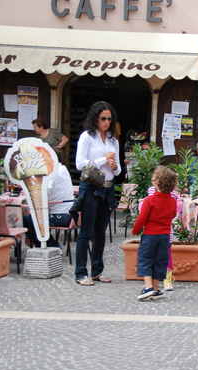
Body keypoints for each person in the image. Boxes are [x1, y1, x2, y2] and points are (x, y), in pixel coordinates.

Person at [73, 101, 121, 286]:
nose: (107, 122)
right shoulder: (87, 137)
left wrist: (115, 166)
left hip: (107, 187)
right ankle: (80, 273)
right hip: (92, 187)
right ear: (95, 118)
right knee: (86, 231)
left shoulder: (113, 140)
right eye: (103, 118)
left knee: (100, 232)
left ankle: (97, 271)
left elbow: (116, 171)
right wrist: (103, 159)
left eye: (109, 118)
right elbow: (79, 164)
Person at [132, 166, 178, 300]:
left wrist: (135, 230)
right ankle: (156, 289)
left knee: (146, 259)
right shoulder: (172, 201)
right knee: (160, 261)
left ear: (156, 182)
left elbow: (142, 218)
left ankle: (148, 287)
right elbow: (173, 214)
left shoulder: (149, 200)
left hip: (150, 235)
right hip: (165, 236)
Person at [23, 147, 74, 249]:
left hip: (60, 216)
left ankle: (51, 246)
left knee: (28, 219)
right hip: (68, 214)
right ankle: (44, 245)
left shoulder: (53, 172)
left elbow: (44, 192)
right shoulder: (63, 169)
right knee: (33, 218)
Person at [146, 180, 179, 291]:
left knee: (165, 255)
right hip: (156, 230)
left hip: (164, 230)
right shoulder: (151, 191)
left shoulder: (172, 193)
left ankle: (166, 279)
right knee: (155, 255)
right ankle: (153, 281)